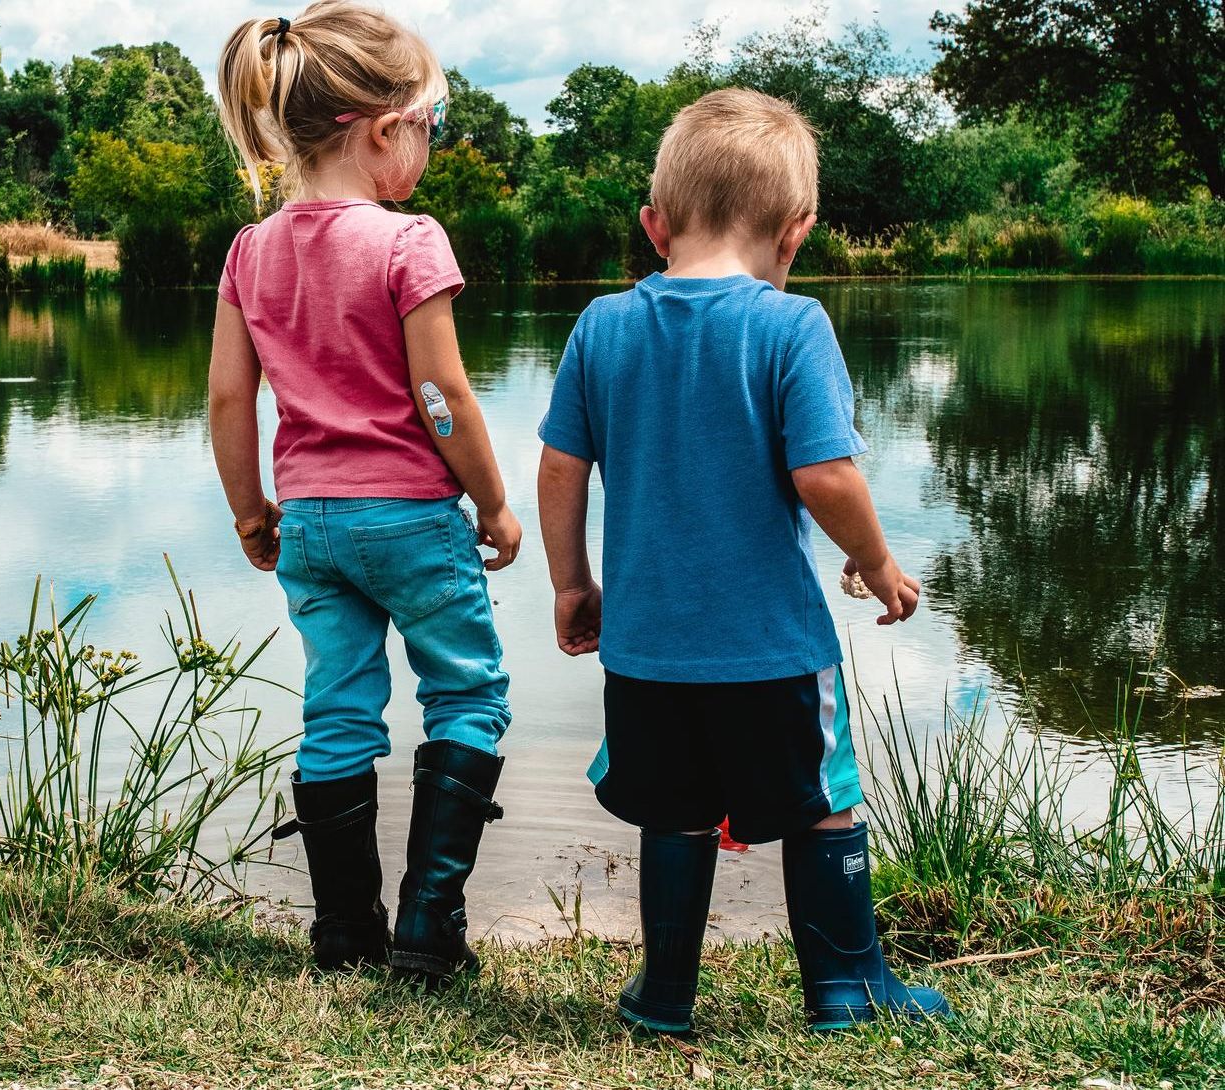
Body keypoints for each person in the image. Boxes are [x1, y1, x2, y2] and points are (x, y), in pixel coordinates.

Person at [536, 88, 953, 1032]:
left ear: (655, 225)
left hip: (646, 651)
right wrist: (878, 564)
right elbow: (827, 475)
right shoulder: (790, 325)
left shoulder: (601, 326)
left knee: (674, 813)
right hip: (771, 648)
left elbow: (561, 466)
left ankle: (665, 996)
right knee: (823, 802)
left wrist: (572, 583)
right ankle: (847, 988)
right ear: (797, 232)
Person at [208, 1, 521, 981]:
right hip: (411, 521)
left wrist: (249, 510)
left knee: (337, 712)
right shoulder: (406, 241)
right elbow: (440, 393)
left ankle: (344, 933)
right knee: (465, 695)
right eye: (428, 126)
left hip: (310, 525)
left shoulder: (250, 250)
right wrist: (495, 502)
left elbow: (227, 395)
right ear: (384, 130)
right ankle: (430, 933)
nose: (427, 148)